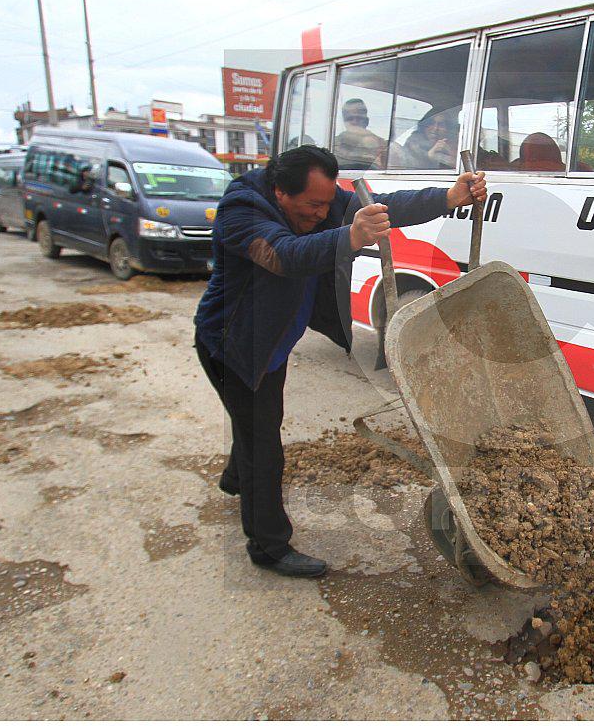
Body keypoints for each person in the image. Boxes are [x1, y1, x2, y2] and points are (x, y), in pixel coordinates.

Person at [193, 145, 486, 578]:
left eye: (328, 204)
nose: (322, 212)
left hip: (273, 337)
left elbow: (381, 210)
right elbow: (282, 256)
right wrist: (350, 236)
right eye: (314, 205)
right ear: (279, 191)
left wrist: (447, 197)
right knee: (263, 443)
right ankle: (268, 546)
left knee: (255, 422)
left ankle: (237, 479)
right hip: (235, 343)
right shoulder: (241, 211)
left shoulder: (318, 202)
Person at [331, 99, 387, 170]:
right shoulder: (332, 145)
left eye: (359, 118)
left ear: (367, 121)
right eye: (350, 118)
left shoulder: (384, 146)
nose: (355, 122)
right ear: (344, 121)